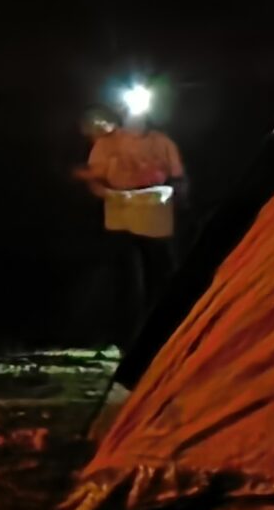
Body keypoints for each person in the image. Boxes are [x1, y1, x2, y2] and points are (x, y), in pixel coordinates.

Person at [74, 103, 189, 343]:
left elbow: (179, 179)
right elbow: (94, 179)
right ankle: (126, 338)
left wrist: (172, 194)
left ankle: (161, 335)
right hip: (121, 218)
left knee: (159, 276)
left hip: (155, 218)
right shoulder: (108, 144)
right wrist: (108, 194)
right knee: (127, 279)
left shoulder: (162, 143)